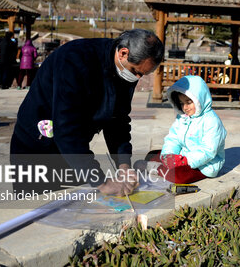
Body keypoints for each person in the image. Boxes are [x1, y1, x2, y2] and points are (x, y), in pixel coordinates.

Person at [10, 29, 164, 196]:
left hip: (74, 150)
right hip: (38, 147)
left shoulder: (127, 71)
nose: (137, 78)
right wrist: (102, 182)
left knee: (76, 206)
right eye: (136, 71)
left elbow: (118, 119)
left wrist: (124, 165)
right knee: (38, 210)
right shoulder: (75, 59)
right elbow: (66, 128)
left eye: (142, 74)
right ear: (123, 53)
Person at [140, 75, 226, 184]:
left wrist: (184, 161)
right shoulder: (183, 117)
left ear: (200, 99)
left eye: (189, 102)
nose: (185, 107)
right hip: (183, 156)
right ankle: (162, 164)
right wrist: (168, 154)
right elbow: (173, 138)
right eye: (181, 103)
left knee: (177, 176)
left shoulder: (212, 121)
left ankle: (158, 169)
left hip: (205, 165)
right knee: (152, 155)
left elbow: (209, 151)